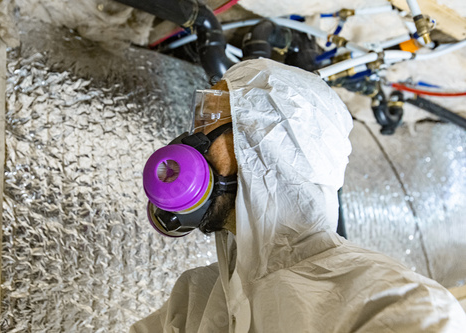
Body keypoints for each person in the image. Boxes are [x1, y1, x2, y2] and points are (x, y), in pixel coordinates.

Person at [134, 59, 466, 332]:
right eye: (199, 123)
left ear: (271, 148)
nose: (193, 140)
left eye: (213, 123)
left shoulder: (394, 303)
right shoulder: (195, 299)